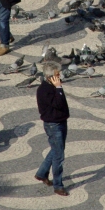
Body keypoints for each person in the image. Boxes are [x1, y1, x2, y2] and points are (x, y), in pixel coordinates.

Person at [35, 63, 70, 196]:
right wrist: (59, 88)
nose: (59, 76)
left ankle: (41, 173)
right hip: (53, 125)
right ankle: (58, 185)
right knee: (59, 156)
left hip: (60, 122)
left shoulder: (51, 87)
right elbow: (59, 103)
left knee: (56, 150)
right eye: (57, 75)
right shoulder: (45, 90)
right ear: (50, 77)